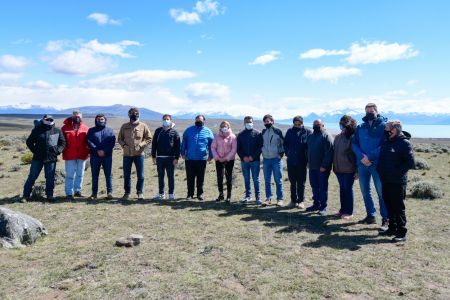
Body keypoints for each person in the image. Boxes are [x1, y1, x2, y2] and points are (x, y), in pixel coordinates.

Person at [352, 103, 388, 229]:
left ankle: (386, 219)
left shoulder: (384, 126)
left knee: (381, 192)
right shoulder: (360, 127)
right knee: (365, 191)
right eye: (367, 110)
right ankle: (371, 215)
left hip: (377, 164)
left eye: (372, 110)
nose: (369, 112)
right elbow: (354, 143)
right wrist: (362, 158)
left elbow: (385, 144)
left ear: (377, 111)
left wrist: (370, 157)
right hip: (362, 165)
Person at [377, 121, 415, 242]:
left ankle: (401, 232)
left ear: (395, 130)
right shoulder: (386, 142)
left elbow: (410, 162)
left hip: (397, 182)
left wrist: (397, 174)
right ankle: (392, 228)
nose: (385, 130)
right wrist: (380, 171)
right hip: (385, 180)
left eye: (387, 128)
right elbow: (382, 160)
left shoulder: (404, 143)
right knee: (389, 205)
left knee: (398, 207)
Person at [21, 115, 66, 202]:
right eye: (47, 119)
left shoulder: (57, 130)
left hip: (51, 158)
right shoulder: (37, 130)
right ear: (43, 120)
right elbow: (29, 141)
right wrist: (35, 150)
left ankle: (49, 195)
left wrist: (58, 151)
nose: (49, 121)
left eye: (51, 119)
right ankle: (25, 195)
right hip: (37, 158)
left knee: (50, 177)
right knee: (32, 176)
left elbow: (63, 142)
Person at [118, 107, 152, 200]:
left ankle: (140, 192)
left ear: (139, 114)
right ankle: (127, 193)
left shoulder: (143, 126)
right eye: (132, 113)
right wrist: (124, 145)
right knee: (126, 175)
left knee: (140, 175)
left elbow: (149, 138)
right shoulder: (124, 126)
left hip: (139, 154)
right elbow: (120, 139)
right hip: (127, 155)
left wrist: (141, 145)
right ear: (129, 114)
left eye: (136, 113)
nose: (135, 114)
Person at [180, 115, 214, 201]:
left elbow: (211, 145)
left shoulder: (208, 131)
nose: (198, 121)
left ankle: (200, 194)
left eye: (200, 120)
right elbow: (184, 142)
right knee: (190, 177)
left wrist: (211, 155)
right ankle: (190, 194)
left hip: (201, 158)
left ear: (204, 121)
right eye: (197, 120)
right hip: (189, 158)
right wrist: (182, 153)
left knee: (200, 177)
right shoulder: (188, 130)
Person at [306, 119, 334, 215]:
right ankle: (316, 204)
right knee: (314, 187)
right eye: (314, 124)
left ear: (322, 125)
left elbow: (329, 152)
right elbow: (308, 150)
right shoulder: (310, 136)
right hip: (312, 167)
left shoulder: (326, 136)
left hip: (322, 168)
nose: (316, 125)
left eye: (318, 124)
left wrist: (324, 166)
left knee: (322, 188)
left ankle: (323, 207)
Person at [284, 116, 311, 209]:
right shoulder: (289, 131)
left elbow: (309, 146)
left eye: (299, 124)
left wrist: (308, 159)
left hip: (302, 161)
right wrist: (288, 153)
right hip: (291, 161)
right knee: (292, 182)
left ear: (302, 123)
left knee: (301, 182)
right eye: (295, 124)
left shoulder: (307, 132)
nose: (297, 126)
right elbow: (285, 144)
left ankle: (301, 201)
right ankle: (293, 201)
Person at [333, 115, 358, 219]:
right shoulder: (338, 137)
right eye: (341, 123)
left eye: (344, 124)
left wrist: (357, 170)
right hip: (338, 169)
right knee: (342, 190)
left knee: (348, 189)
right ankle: (342, 210)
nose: (342, 126)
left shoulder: (353, 138)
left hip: (349, 169)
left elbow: (356, 155)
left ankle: (349, 212)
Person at [61, 110, 90, 200]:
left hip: (82, 154)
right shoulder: (65, 128)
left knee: (80, 174)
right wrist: (65, 149)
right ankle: (69, 193)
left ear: (81, 117)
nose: (77, 117)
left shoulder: (86, 128)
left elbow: (88, 141)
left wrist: (89, 152)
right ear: (72, 116)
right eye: (75, 116)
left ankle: (77, 191)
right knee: (70, 174)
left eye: (78, 116)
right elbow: (62, 141)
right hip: (70, 155)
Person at [86, 114, 116, 200]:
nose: (100, 120)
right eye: (98, 119)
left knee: (108, 175)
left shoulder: (110, 130)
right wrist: (97, 150)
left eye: (102, 119)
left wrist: (104, 151)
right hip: (95, 156)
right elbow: (88, 141)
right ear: (96, 120)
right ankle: (94, 193)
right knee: (95, 175)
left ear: (105, 120)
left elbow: (112, 142)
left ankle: (109, 193)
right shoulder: (91, 130)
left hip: (107, 156)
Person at [151, 114, 181, 200]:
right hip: (160, 158)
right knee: (160, 176)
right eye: (164, 119)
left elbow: (177, 146)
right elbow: (154, 144)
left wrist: (176, 158)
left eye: (167, 119)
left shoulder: (174, 132)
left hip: (170, 158)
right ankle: (161, 193)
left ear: (171, 121)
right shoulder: (158, 131)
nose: (166, 120)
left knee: (170, 176)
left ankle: (171, 194)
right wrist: (153, 156)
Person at [237, 116, 263, 205]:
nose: (249, 123)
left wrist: (253, 156)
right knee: (247, 179)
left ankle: (258, 197)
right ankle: (248, 196)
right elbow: (238, 148)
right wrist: (243, 157)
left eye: (250, 122)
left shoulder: (258, 134)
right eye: (247, 122)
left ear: (253, 122)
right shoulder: (240, 135)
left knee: (256, 179)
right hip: (244, 161)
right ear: (244, 123)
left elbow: (260, 147)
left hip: (255, 160)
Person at [261, 114, 285, 206]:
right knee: (267, 180)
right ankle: (268, 198)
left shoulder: (277, 131)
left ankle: (280, 199)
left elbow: (283, 143)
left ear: (272, 121)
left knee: (278, 180)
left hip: (276, 159)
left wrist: (280, 155)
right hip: (266, 159)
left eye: (269, 121)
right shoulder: (263, 132)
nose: (267, 123)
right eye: (266, 121)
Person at [211, 121, 237, 202]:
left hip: (229, 160)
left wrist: (226, 158)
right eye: (222, 126)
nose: (224, 128)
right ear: (220, 128)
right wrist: (217, 157)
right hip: (218, 159)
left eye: (225, 126)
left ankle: (228, 195)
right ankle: (221, 194)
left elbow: (234, 149)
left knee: (228, 177)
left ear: (228, 127)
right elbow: (213, 147)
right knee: (220, 177)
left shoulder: (233, 137)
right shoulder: (217, 137)